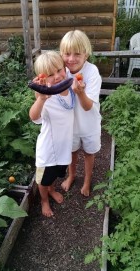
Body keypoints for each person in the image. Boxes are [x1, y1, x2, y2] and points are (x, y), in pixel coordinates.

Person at [29, 51, 75, 217]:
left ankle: (51, 190)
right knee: (43, 179)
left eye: (59, 70)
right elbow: (33, 116)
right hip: (48, 150)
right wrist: (41, 98)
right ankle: (44, 200)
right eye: (50, 75)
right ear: (42, 78)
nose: (56, 76)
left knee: (55, 174)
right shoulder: (45, 96)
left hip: (63, 147)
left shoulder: (69, 87)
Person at [59, 30, 102, 197]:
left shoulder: (92, 72)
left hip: (89, 124)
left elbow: (87, 106)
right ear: (61, 54)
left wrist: (80, 93)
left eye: (77, 54)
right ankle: (71, 176)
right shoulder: (62, 72)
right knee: (72, 151)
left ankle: (86, 181)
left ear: (86, 54)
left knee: (89, 153)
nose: (71, 59)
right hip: (71, 125)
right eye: (67, 54)